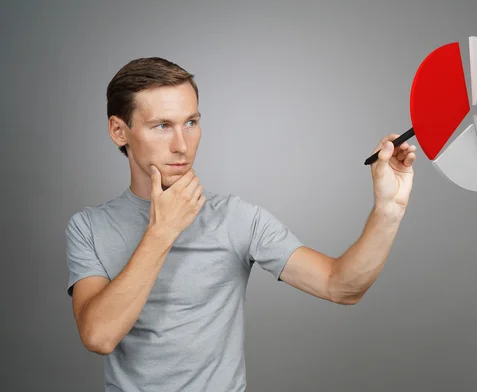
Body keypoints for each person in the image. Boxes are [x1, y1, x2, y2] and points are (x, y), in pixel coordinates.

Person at [66, 57, 417, 391]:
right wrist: (162, 231)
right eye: (162, 126)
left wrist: (389, 208)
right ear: (118, 131)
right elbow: (99, 336)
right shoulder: (88, 227)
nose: (182, 145)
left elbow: (341, 287)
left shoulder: (235, 218)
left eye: (191, 122)